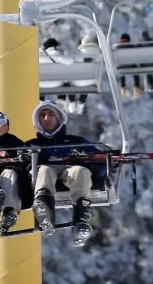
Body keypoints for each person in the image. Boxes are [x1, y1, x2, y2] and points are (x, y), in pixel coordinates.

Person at [27, 100, 101, 247]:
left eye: (50, 115)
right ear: (38, 120)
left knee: (80, 171)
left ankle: (81, 218)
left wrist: (98, 169)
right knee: (45, 170)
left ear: (59, 118)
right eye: (42, 115)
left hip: (70, 171)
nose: (46, 119)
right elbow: (19, 163)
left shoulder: (76, 142)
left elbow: (99, 159)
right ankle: (45, 211)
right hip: (45, 173)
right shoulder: (31, 145)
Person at [114, 33, 142, 97]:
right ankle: (136, 87)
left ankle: (123, 87)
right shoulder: (131, 47)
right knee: (136, 69)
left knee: (121, 72)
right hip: (131, 65)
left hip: (121, 66)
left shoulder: (117, 47)